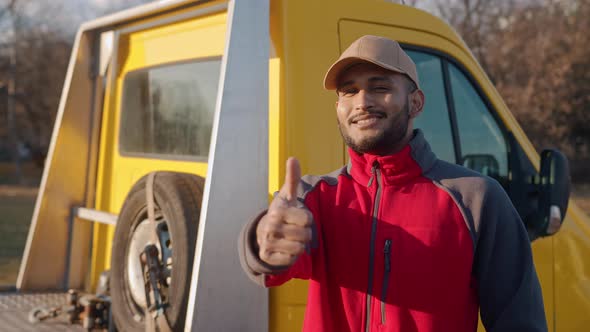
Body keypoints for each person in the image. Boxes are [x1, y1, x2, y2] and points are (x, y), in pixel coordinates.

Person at [238, 35, 547, 331]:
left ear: (415, 103)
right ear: (337, 108)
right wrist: (263, 239)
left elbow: (519, 322)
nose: (362, 101)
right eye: (349, 90)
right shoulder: (314, 197)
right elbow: (269, 259)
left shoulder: (477, 199)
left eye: (380, 87)